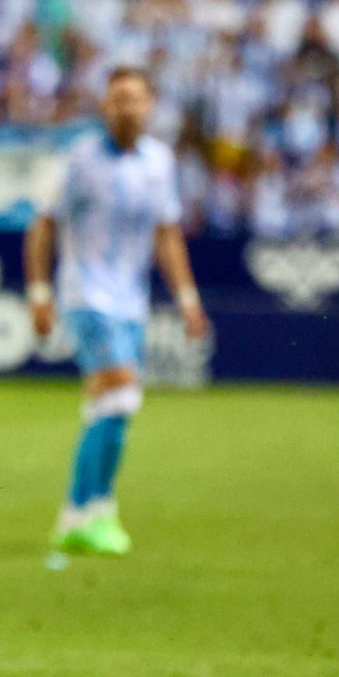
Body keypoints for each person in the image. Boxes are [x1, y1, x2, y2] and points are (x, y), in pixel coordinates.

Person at [24, 66, 208, 556]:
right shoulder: (78, 159)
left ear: (149, 105)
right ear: (104, 105)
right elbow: (41, 226)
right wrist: (40, 293)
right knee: (121, 396)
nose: (125, 106)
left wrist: (188, 300)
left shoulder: (159, 162)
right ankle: (82, 512)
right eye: (117, 98)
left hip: (131, 302)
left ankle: (91, 511)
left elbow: (167, 234)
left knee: (110, 406)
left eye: (134, 98)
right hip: (86, 297)